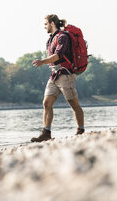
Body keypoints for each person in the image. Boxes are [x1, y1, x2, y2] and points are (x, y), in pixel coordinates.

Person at [31, 14, 85, 142]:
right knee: (46, 103)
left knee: (74, 104)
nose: (45, 27)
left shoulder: (63, 37)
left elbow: (58, 55)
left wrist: (42, 61)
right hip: (54, 76)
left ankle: (80, 131)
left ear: (52, 23)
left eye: (46, 24)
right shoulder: (50, 39)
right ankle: (46, 133)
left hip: (66, 75)